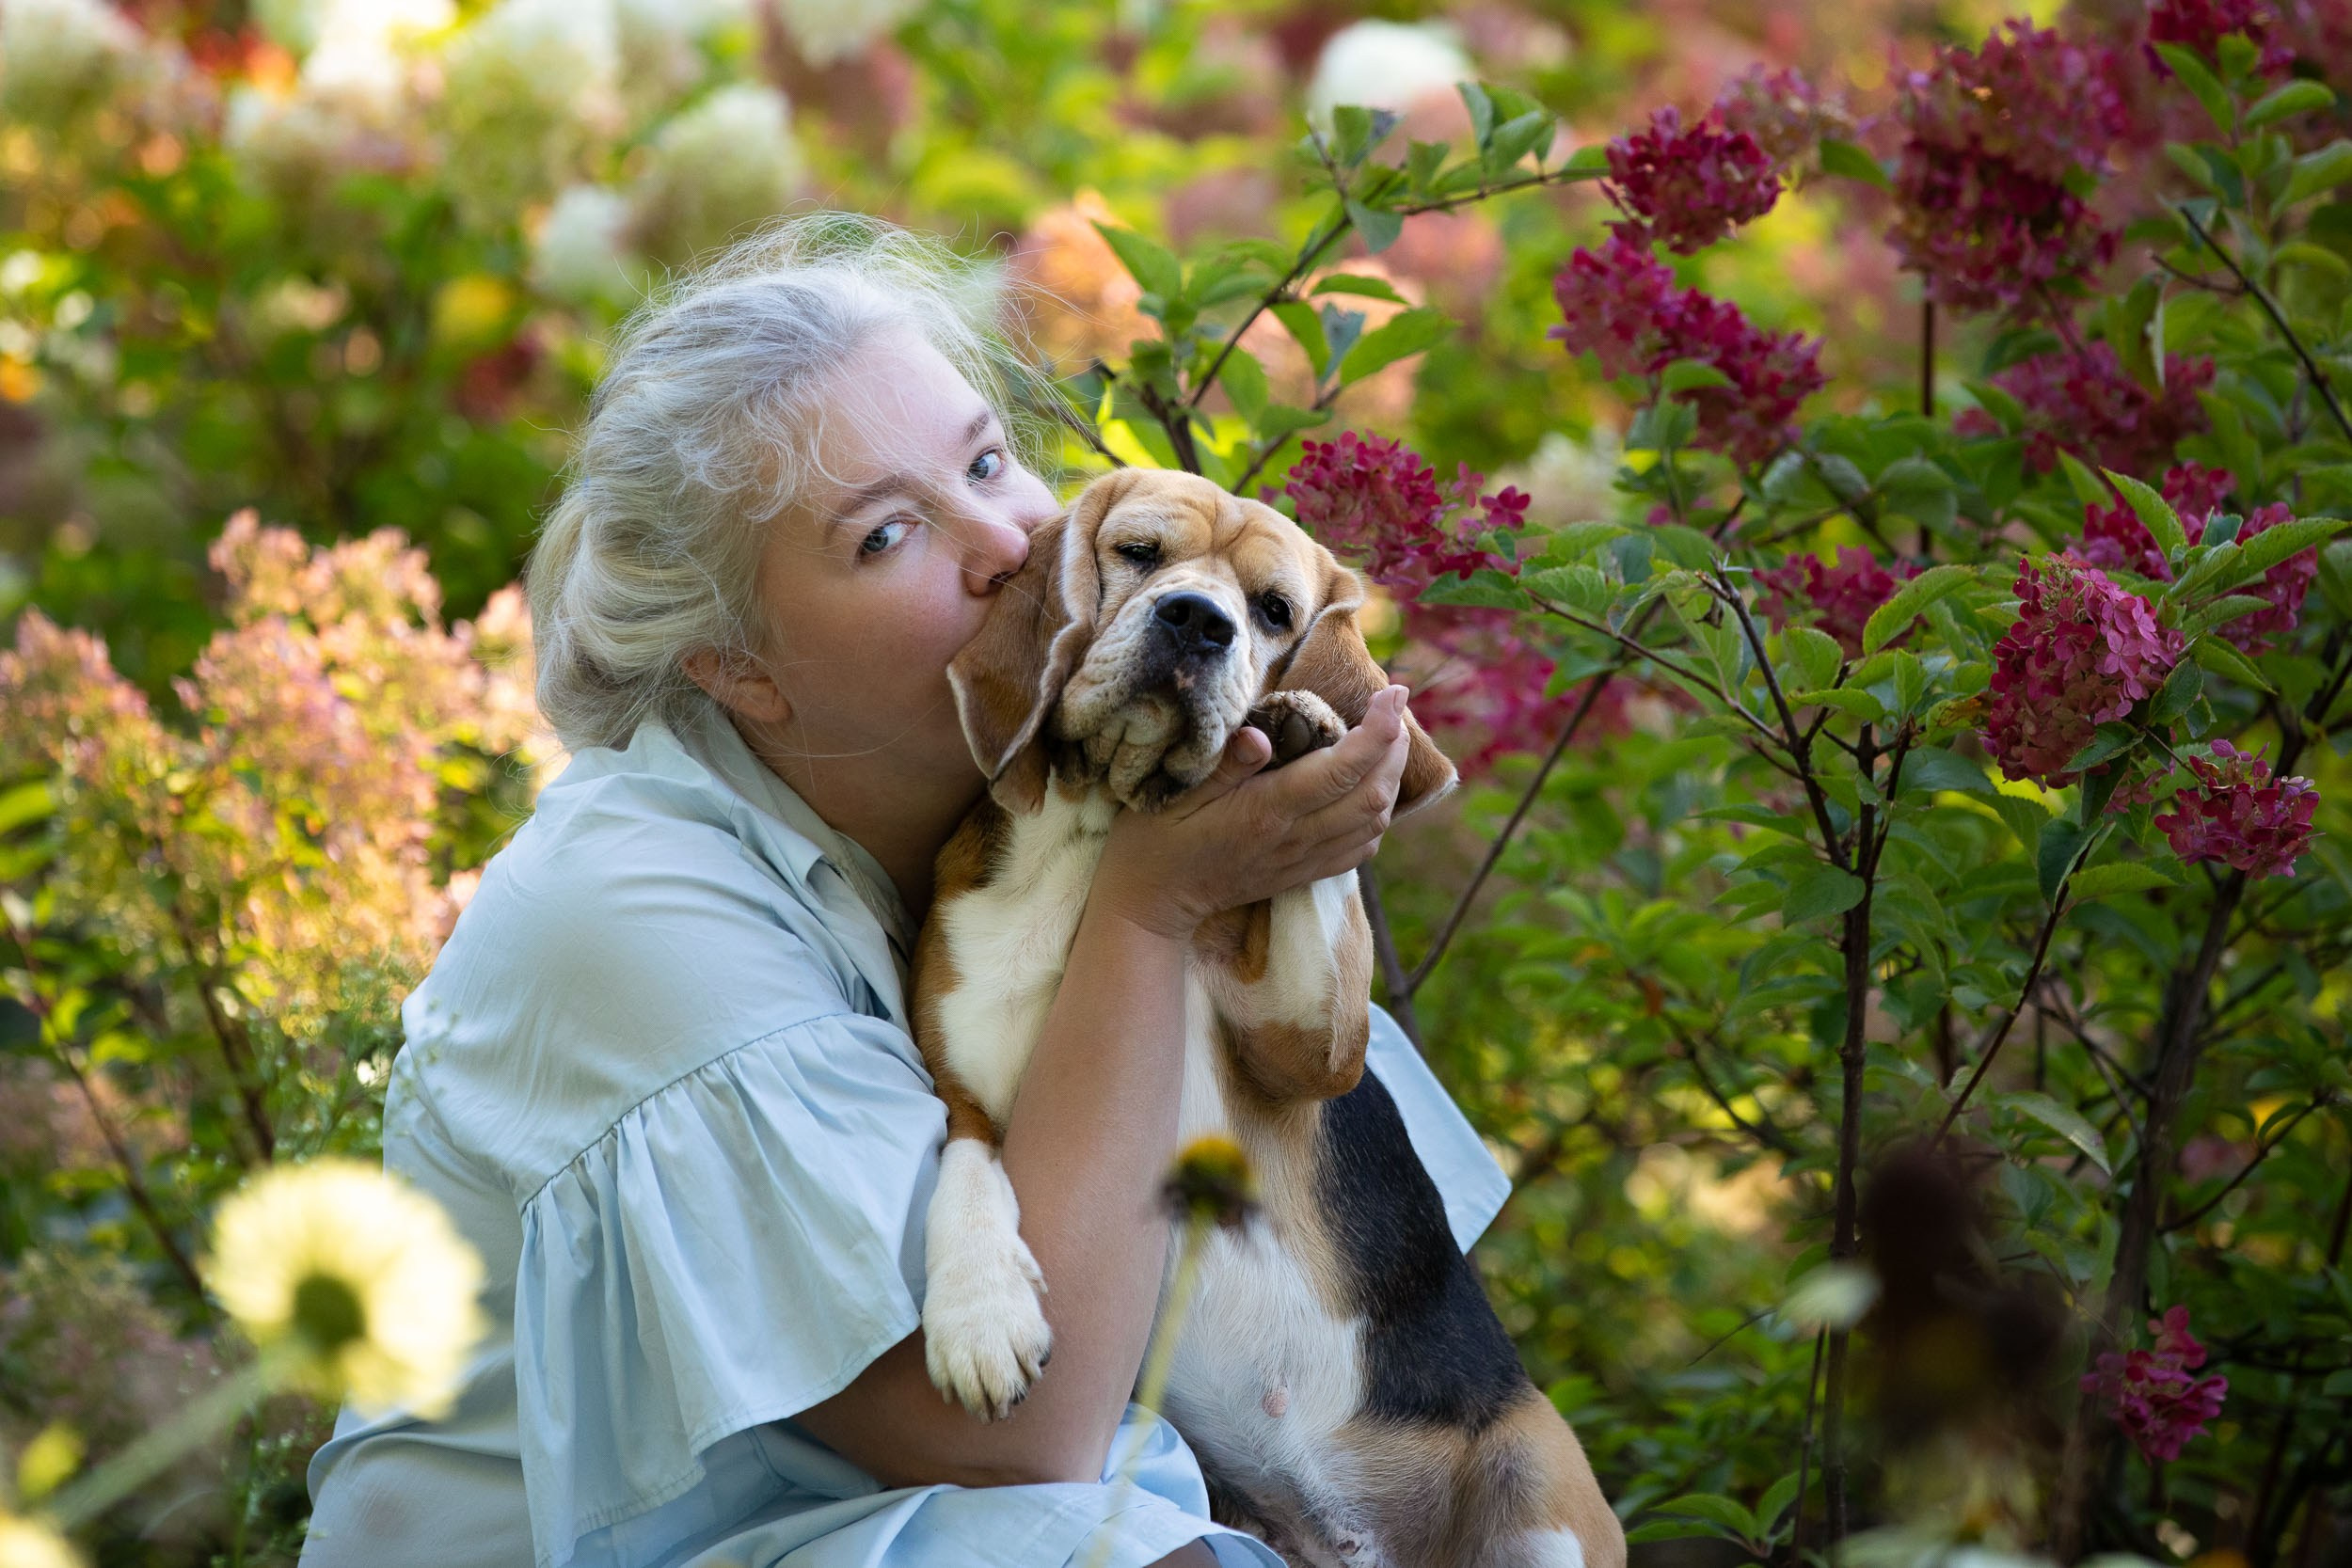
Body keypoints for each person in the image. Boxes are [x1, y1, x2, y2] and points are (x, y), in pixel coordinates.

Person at [299, 212, 1510, 1568]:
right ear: (738, 665)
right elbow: (1017, 1438)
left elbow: (1308, 1253)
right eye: (887, 537)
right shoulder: (638, 911)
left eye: (991, 460)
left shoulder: (1013, 802)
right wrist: (1153, 907)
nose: (1005, 542)